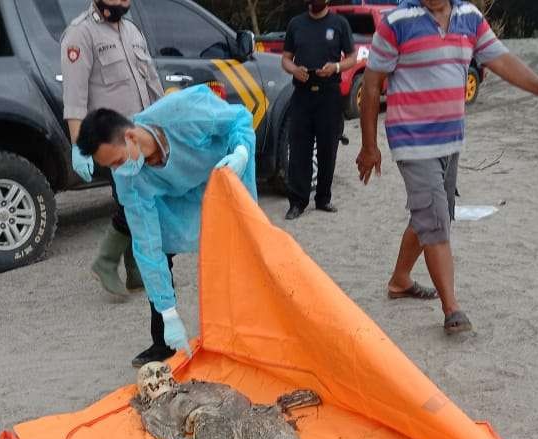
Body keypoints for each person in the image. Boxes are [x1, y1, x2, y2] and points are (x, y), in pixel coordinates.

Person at [356, 0, 538, 335]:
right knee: (436, 221)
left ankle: (400, 280)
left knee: (430, 213)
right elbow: (372, 85)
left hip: (450, 140)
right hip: (412, 140)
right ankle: (452, 308)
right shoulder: (396, 21)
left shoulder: (470, 18)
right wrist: (369, 146)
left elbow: (501, 59)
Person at [76, 86, 256, 366]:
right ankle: (163, 341)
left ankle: (247, 331)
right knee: (159, 255)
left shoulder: (183, 112)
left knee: (238, 252)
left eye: (118, 161)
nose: (118, 171)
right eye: (110, 167)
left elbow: (238, 119)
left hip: (224, 171)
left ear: (131, 136)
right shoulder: (129, 179)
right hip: (174, 200)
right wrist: (168, 313)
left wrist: (242, 151)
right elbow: (147, 246)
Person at [61, 0, 163, 297]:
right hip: (112, 143)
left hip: (141, 136)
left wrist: (162, 121)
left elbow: (152, 82)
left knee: (143, 201)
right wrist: (79, 145)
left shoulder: (132, 31)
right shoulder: (80, 34)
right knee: (130, 203)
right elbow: (75, 97)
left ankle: (135, 269)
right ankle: (105, 262)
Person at [281, 0, 358, 220]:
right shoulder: (296, 24)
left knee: (328, 148)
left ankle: (323, 198)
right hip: (302, 94)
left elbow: (352, 57)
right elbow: (285, 59)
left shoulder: (339, 23)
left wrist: (335, 67)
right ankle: (297, 201)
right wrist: (295, 70)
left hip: (329, 94)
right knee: (299, 150)